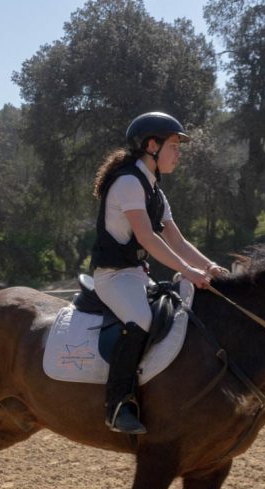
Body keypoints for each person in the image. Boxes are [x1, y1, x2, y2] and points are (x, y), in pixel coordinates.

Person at [89, 112, 227, 434]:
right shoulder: (127, 182)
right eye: (174, 145)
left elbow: (176, 239)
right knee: (142, 319)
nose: (178, 153)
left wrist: (209, 267)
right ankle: (118, 404)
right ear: (152, 145)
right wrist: (190, 271)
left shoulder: (155, 190)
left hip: (136, 274)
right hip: (112, 276)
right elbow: (147, 238)